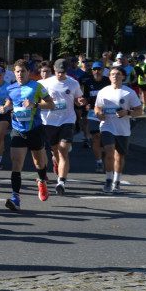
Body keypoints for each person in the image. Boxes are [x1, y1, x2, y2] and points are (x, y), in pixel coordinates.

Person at [0, 59, 55, 212]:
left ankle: (42, 181)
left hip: (35, 129)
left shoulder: (37, 86)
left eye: (22, 71)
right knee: (16, 163)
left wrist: (34, 105)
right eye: (17, 71)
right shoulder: (10, 88)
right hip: (17, 130)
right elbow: (8, 103)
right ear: (14, 73)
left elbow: (51, 104)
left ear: (28, 72)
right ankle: (15, 198)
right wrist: (5, 108)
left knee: (39, 163)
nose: (20, 74)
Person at [94, 65, 144, 193]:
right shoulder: (103, 91)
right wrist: (99, 115)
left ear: (122, 77)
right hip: (107, 126)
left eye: (118, 74)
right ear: (109, 77)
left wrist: (127, 113)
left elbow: (139, 111)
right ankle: (108, 179)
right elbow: (97, 108)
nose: (115, 76)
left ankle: (117, 181)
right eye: (112, 74)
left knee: (119, 156)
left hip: (123, 129)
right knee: (109, 153)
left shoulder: (129, 92)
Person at [39, 58, 85, 195]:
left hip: (67, 120)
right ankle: (58, 167)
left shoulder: (73, 83)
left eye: (63, 72)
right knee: (55, 152)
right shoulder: (44, 83)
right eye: (58, 71)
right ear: (54, 69)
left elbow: (78, 99)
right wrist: (45, 101)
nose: (60, 74)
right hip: (49, 122)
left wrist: (81, 101)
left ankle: (61, 182)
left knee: (63, 151)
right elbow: (36, 98)